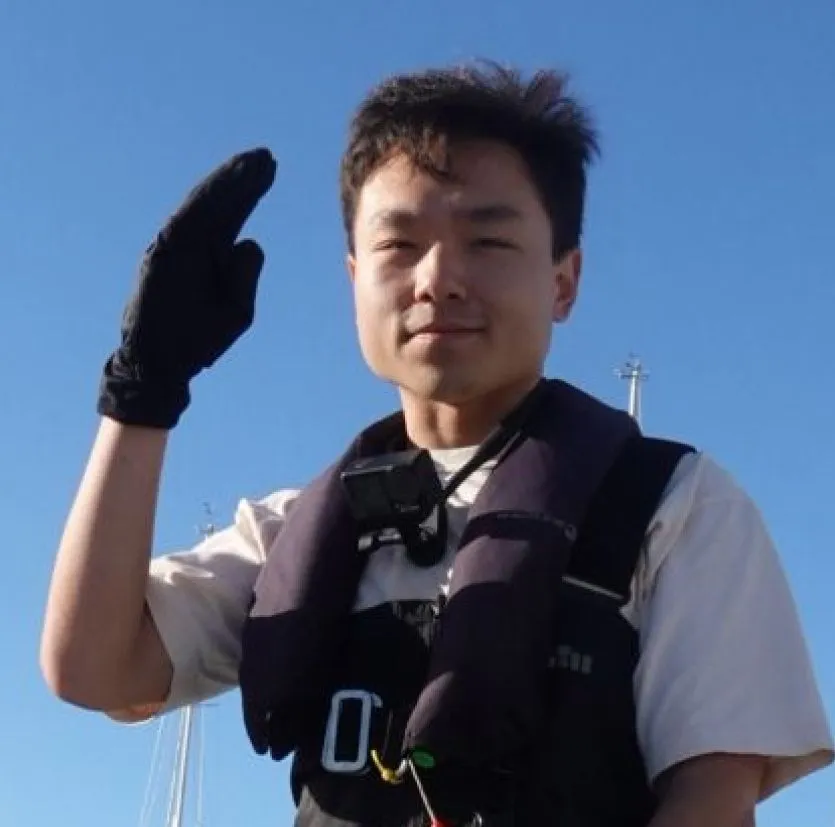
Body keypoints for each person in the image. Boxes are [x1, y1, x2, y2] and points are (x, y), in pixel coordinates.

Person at [40, 62, 832, 827]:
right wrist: (142, 392)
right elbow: (93, 667)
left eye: (488, 243)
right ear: (351, 274)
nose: (438, 279)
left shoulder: (677, 505)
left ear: (563, 280)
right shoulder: (294, 530)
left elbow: (713, 799)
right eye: (399, 244)